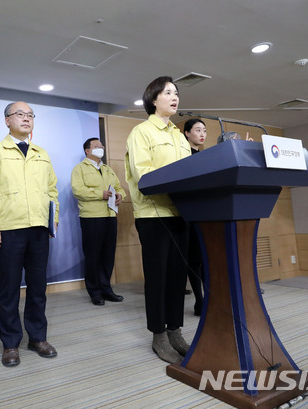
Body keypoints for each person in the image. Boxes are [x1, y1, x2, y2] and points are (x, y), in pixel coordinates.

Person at [0, 101, 59, 367]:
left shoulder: (41, 153)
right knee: (10, 289)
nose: (26, 119)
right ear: (7, 120)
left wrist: (51, 222)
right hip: (9, 230)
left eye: (30, 115)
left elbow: (52, 191)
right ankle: (10, 343)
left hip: (38, 229)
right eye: (20, 114)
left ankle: (37, 337)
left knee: (38, 288)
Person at [125, 76, 191, 364]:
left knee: (178, 278)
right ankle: (159, 336)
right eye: (168, 93)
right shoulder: (141, 133)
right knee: (158, 278)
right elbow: (144, 175)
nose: (175, 97)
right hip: (154, 215)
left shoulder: (179, 135)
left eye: (176, 93)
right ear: (153, 99)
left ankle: (175, 331)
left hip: (181, 213)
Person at [71, 137, 126, 306]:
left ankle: (106, 289)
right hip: (91, 217)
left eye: (102, 145)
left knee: (107, 256)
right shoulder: (80, 169)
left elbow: (119, 187)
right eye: (96, 146)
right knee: (93, 256)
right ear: (87, 150)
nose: (101, 148)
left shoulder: (108, 169)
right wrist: (99, 194)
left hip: (110, 216)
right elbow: (77, 190)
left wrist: (120, 195)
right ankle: (94, 292)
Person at [183, 119, 207, 315]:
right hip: (188, 213)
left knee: (206, 258)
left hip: (206, 213)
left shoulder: (205, 157)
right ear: (186, 133)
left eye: (204, 131)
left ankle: (210, 299)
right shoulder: (181, 156)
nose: (202, 134)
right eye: (198, 130)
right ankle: (200, 301)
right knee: (194, 259)